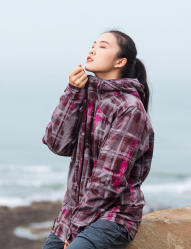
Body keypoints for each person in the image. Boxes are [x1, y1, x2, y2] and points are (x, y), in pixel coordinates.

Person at [41, 30, 155, 249]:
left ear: (120, 61)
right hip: (72, 215)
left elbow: (108, 179)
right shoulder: (85, 95)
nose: (93, 49)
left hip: (113, 216)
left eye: (103, 46)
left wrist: (76, 229)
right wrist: (72, 92)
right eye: (93, 44)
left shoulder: (130, 108)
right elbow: (57, 144)